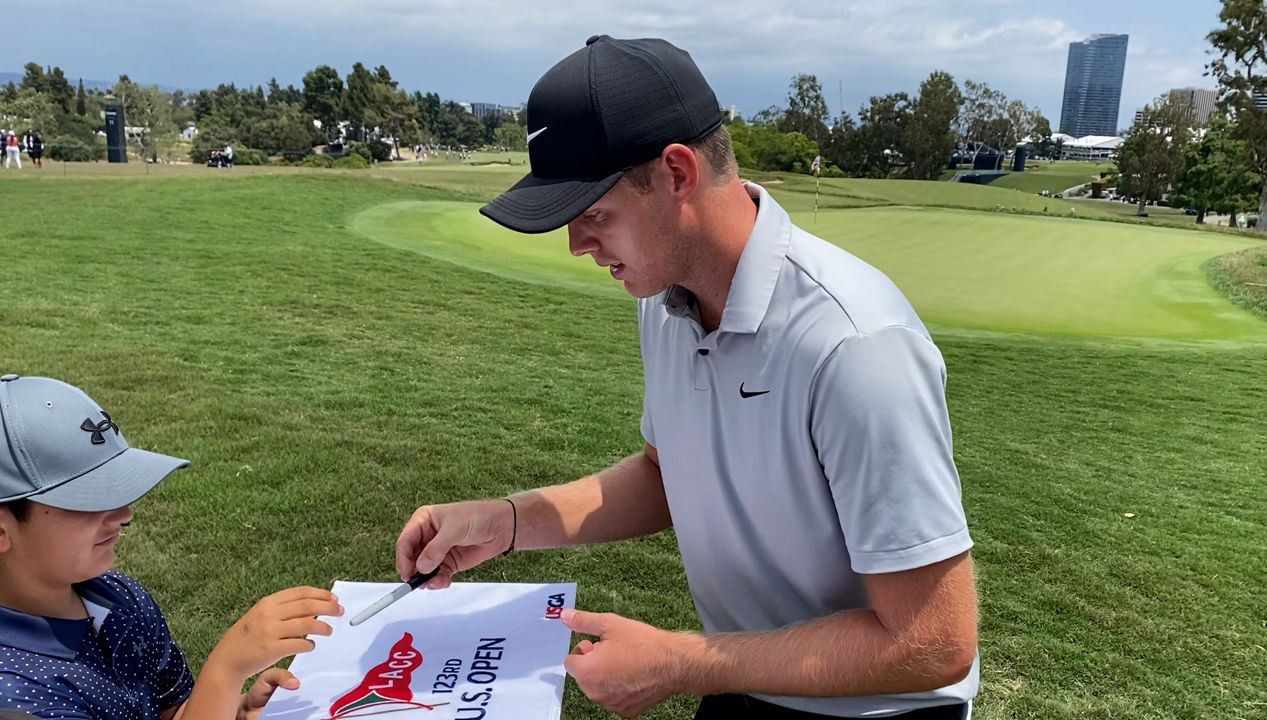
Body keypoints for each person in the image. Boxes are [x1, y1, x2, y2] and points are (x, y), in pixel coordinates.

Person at [395, 35, 978, 719]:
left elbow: (933, 641)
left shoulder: (855, 344)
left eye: (594, 216)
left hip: (876, 707)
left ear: (676, 173)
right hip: (743, 675)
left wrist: (677, 661)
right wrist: (508, 522)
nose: (578, 245)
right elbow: (666, 474)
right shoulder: (664, 303)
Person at [0, 374, 343, 719]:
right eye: (88, 500)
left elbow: (174, 711)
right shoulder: (14, 698)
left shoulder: (122, 598)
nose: (124, 514)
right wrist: (223, 674)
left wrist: (230, 709)